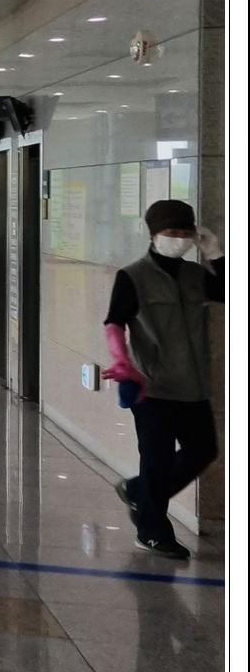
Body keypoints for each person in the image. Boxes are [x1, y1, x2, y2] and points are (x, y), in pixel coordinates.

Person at [103, 199, 224, 559]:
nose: (179, 239)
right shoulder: (133, 276)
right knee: (156, 460)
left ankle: (139, 491)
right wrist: (122, 362)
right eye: (172, 232)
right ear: (155, 235)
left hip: (193, 385)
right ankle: (152, 533)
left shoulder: (195, 275)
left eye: (186, 232)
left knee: (203, 451)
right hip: (151, 386)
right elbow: (114, 323)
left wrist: (217, 255)